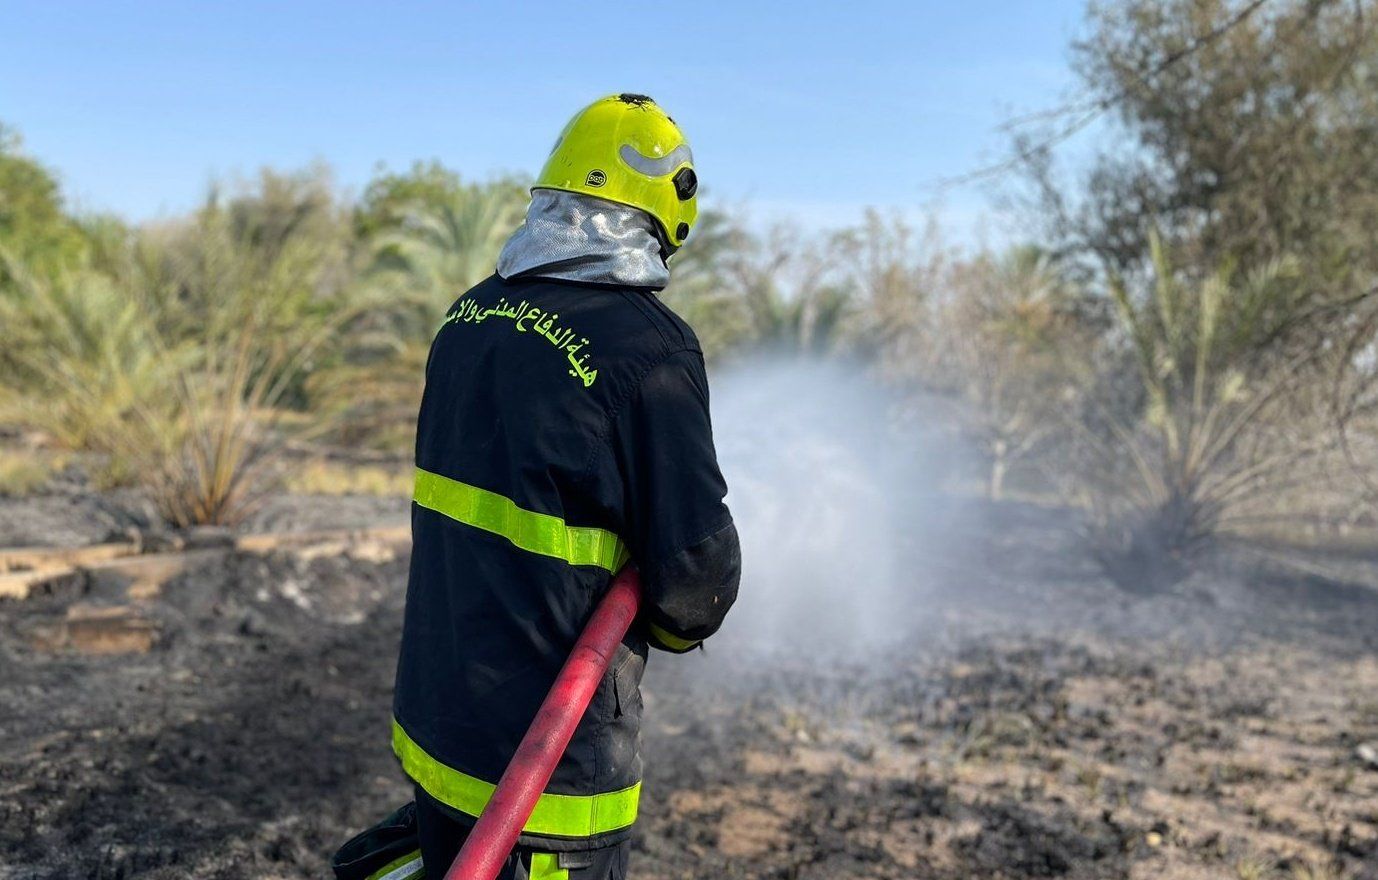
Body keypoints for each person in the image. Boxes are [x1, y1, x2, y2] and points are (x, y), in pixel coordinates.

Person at [391, 93, 741, 879]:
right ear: (664, 211)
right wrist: (685, 614)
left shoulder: (467, 319)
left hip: (438, 726)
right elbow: (694, 580)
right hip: (545, 771)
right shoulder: (650, 349)